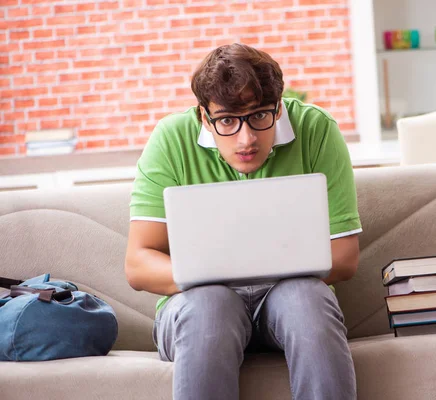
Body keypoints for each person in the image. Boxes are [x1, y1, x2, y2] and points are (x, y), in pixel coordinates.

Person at [124, 43, 362, 400]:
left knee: (306, 301)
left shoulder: (316, 130)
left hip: (289, 302)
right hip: (198, 306)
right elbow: (138, 264)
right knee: (210, 308)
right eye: (227, 121)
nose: (246, 138)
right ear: (205, 117)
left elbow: (344, 256)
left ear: (278, 109)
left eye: (259, 116)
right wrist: (208, 275)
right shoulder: (170, 139)